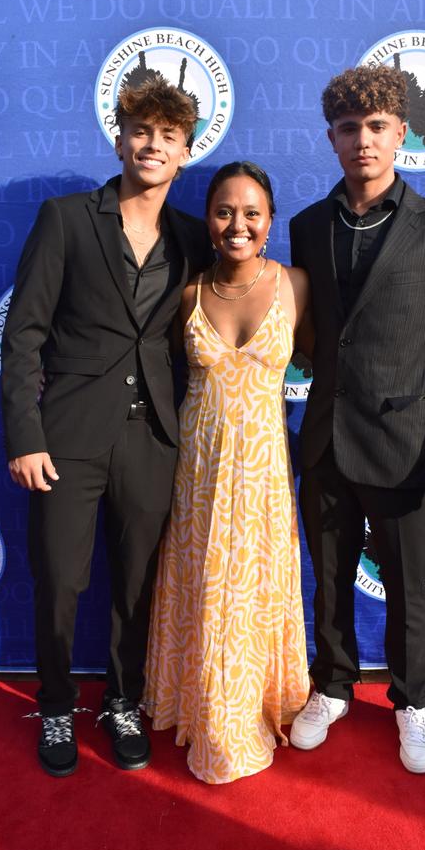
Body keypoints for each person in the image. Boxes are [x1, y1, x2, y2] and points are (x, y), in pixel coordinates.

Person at [1, 76, 212, 777]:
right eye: (142, 132)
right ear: (119, 139)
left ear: (185, 152)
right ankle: (57, 704)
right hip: (65, 436)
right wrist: (24, 435)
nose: (153, 145)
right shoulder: (65, 218)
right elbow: (24, 335)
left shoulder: (191, 238)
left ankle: (124, 700)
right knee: (60, 578)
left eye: (169, 137)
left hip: (152, 437)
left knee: (136, 582)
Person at [289, 66, 425, 773]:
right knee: (330, 575)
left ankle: (411, 701)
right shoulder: (307, 226)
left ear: (402, 132)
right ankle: (333, 686)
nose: (362, 141)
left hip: (409, 443)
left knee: (406, 587)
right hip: (324, 440)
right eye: (348, 129)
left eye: (376, 127)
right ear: (332, 139)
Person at [144, 161, 311, 783]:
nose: (237, 225)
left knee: (254, 591)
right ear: (208, 221)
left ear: (269, 221)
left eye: (251, 213)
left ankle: (251, 708)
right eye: (223, 212)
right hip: (199, 469)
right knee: (205, 587)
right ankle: (207, 712)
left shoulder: (297, 285)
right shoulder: (187, 292)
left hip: (264, 471)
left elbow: (340, 362)